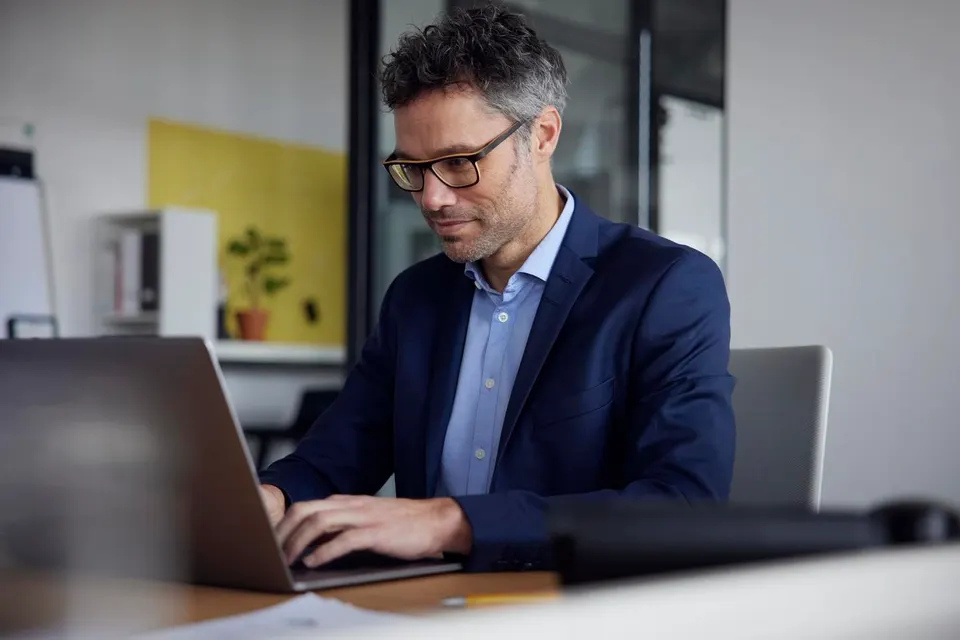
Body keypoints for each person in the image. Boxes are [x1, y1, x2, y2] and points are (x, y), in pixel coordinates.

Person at [258, 5, 736, 573]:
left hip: (577, 601)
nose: (432, 198)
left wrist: (451, 522)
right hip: (426, 600)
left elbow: (682, 502)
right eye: (412, 169)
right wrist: (271, 499)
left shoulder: (664, 286)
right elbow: (338, 455)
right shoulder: (415, 298)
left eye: (460, 163)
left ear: (543, 135)